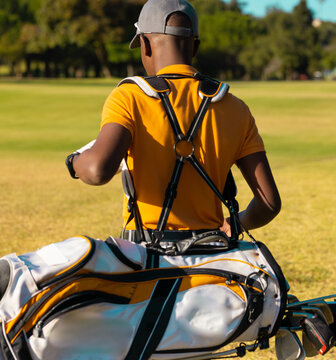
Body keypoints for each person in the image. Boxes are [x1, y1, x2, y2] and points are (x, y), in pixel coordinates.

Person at [66, 0, 280, 241]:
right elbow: (269, 204)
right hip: (212, 253)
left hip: (148, 257)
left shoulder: (130, 96)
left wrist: (74, 161)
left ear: (145, 45)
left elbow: (96, 171)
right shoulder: (235, 107)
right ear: (195, 47)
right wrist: (235, 223)